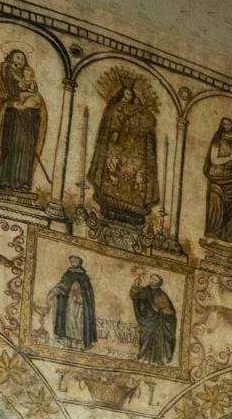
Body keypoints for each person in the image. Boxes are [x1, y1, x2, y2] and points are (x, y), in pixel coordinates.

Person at [89, 77, 160, 226]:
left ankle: (132, 202)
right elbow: (116, 122)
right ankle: (112, 197)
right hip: (121, 145)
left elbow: (150, 123)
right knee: (114, 170)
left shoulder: (139, 111)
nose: (129, 97)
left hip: (135, 150)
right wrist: (115, 135)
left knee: (136, 175)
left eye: (131, 95)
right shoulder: (119, 107)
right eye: (126, 94)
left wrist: (141, 111)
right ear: (122, 95)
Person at [0, 49, 46, 194]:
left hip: (28, 118)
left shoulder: (28, 78)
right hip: (10, 116)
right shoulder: (3, 70)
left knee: (25, 149)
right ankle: (4, 180)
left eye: (23, 58)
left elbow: (36, 98)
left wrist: (32, 104)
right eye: (18, 57)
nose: (21, 60)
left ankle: (22, 182)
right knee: (10, 146)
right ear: (11, 57)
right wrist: (11, 104)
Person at [49, 255, 96, 350]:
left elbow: (88, 292)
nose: (73, 262)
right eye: (71, 261)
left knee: (79, 321)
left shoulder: (84, 276)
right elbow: (62, 285)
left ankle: (81, 342)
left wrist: (81, 297)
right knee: (69, 319)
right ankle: (68, 340)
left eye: (75, 261)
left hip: (81, 305)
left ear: (80, 262)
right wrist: (54, 291)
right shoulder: (67, 274)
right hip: (69, 302)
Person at [131, 273, 177, 365]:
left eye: (155, 280)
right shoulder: (144, 291)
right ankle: (143, 358)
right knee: (145, 339)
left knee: (158, 340)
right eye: (152, 279)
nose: (153, 281)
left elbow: (169, 310)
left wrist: (165, 311)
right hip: (147, 320)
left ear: (159, 283)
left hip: (158, 321)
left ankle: (157, 360)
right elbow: (135, 297)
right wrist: (136, 286)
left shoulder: (161, 294)